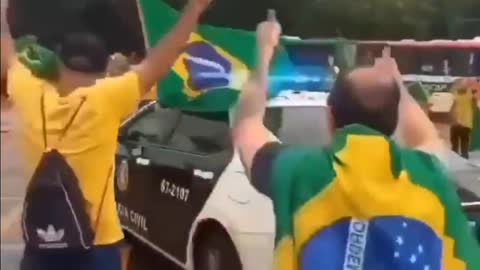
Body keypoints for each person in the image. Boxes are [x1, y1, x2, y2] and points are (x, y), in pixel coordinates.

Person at [232, 19, 480, 269]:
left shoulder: (300, 172)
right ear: (394, 121)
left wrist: (264, 53)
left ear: (330, 117)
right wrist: (396, 84)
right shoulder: (427, 173)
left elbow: (247, 126)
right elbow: (426, 137)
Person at [1, 0, 212, 269]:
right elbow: (159, 63)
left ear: (61, 63)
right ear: (100, 72)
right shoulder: (106, 98)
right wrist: (193, 11)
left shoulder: (30, 93)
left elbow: (6, 49)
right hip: (96, 247)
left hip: (41, 243)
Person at [450, 78, 476, 158]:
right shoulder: (469, 95)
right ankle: (464, 155)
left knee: (456, 141)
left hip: (457, 123)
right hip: (463, 123)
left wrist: (457, 84)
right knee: (463, 141)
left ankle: (457, 155)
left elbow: (454, 89)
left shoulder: (455, 96)